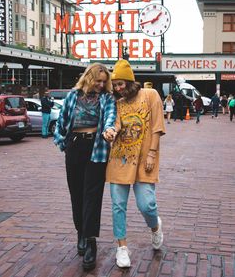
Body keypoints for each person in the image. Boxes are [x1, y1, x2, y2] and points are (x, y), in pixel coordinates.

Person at [53, 63, 116, 271]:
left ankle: (90, 242)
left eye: (103, 81)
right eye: (98, 80)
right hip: (74, 148)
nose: (100, 84)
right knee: (76, 195)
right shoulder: (72, 96)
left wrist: (108, 131)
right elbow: (61, 122)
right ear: (89, 78)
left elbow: (109, 117)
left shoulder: (107, 98)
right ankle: (80, 232)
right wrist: (64, 144)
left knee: (92, 197)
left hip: (96, 150)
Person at [106, 60, 166, 268]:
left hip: (144, 160)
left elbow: (158, 127)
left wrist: (151, 154)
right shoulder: (117, 104)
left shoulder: (151, 95)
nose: (118, 88)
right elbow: (115, 125)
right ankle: (122, 248)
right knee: (117, 206)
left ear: (130, 81)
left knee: (147, 204)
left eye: (121, 84)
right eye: (115, 85)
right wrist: (110, 132)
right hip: (120, 159)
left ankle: (155, 226)